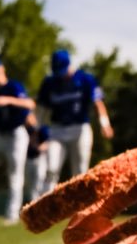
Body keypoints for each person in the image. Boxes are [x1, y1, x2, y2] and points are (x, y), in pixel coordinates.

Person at [36, 49, 114, 185]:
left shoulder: (85, 79)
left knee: (80, 171)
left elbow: (98, 103)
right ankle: (46, 202)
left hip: (80, 128)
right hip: (57, 130)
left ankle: (80, 205)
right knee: (51, 168)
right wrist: (37, 132)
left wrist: (105, 124)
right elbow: (41, 110)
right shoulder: (49, 83)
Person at [0, 57, 37, 226]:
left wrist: (8, 100)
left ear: (0, 70)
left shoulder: (13, 86)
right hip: (1, 136)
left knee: (15, 176)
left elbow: (29, 103)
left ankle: (12, 215)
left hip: (16, 135)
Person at [25, 123, 52, 202]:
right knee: (30, 185)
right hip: (28, 159)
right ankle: (33, 203)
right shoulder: (27, 129)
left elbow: (49, 141)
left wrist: (40, 147)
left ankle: (40, 202)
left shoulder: (44, 129)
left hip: (40, 158)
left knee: (39, 181)